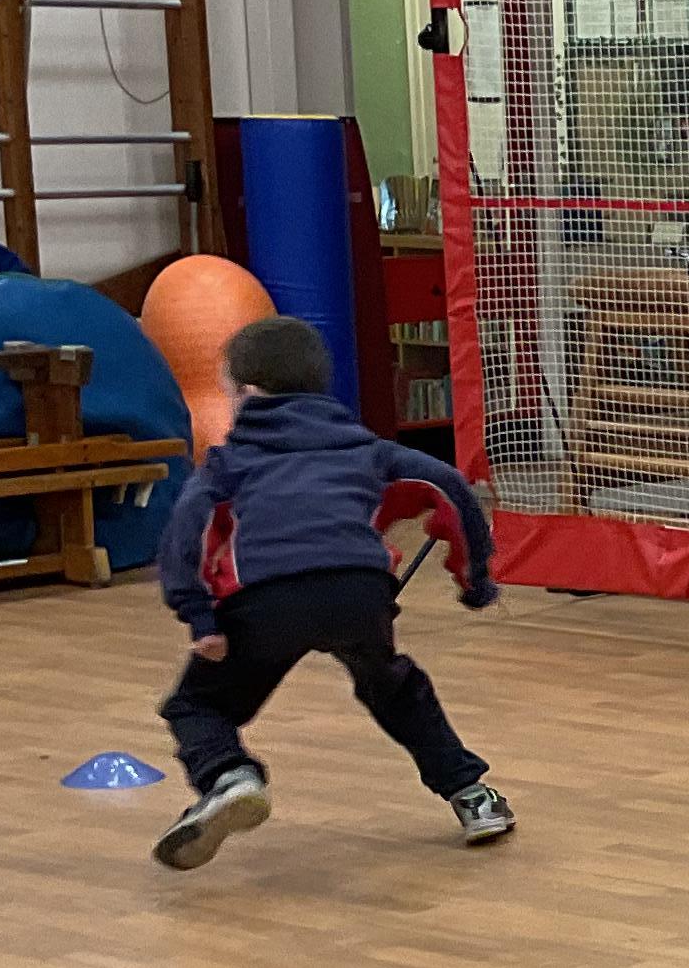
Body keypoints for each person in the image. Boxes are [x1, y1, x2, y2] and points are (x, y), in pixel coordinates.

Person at [151, 313, 513, 871]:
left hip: (264, 599)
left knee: (195, 704)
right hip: (358, 594)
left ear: (248, 394)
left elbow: (185, 536)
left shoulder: (228, 465)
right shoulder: (368, 451)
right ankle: (472, 796)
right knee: (394, 688)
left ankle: (229, 776)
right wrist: (476, 582)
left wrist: (200, 617)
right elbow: (451, 489)